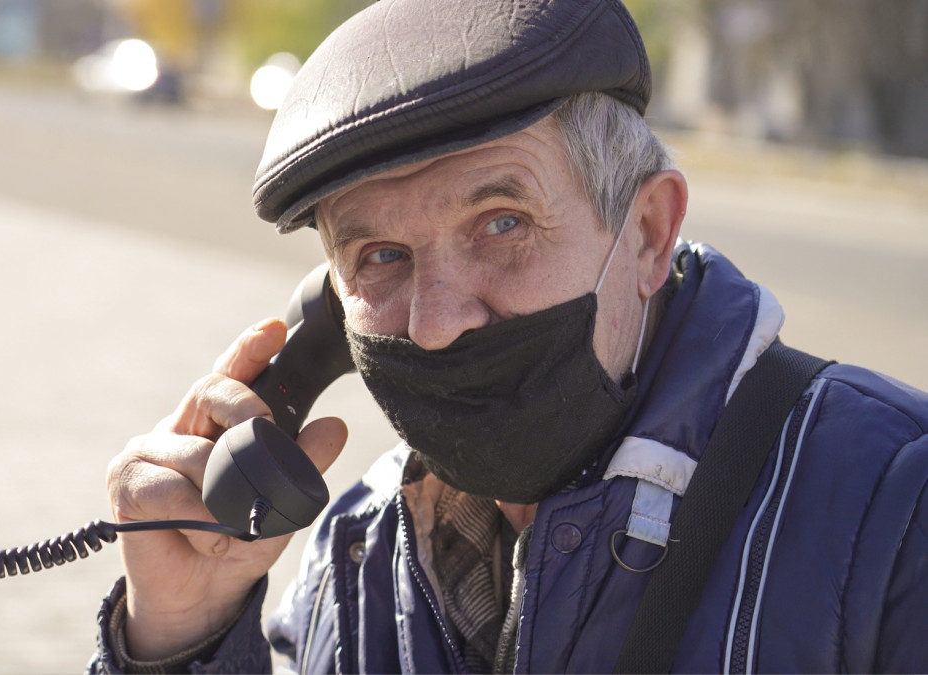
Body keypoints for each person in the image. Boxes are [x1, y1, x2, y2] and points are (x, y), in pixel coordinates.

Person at [89, 0, 928, 672]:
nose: (438, 320)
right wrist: (181, 636)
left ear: (645, 231)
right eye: (379, 254)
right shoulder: (356, 552)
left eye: (500, 222)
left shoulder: (895, 506)